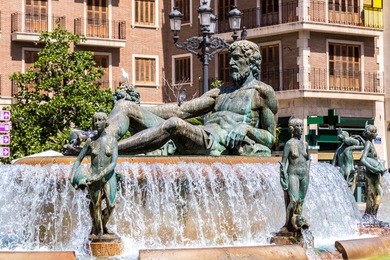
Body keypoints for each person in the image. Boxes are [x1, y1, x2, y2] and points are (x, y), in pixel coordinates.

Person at [104, 40, 278, 156]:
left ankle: (108, 151)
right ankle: (100, 140)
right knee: (125, 106)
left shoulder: (262, 93)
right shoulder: (220, 93)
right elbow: (182, 110)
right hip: (199, 136)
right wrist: (139, 110)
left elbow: (271, 138)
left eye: (236, 59)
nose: (231, 63)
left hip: (214, 144)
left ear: (251, 62)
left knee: (174, 124)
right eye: (230, 59)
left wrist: (246, 128)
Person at [70, 111, 120, 236]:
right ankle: (99, 233)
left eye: (100, 120)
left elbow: (113, 163)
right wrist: (72, 174)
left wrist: (101, 174)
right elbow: (78, 159)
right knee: (96, 205)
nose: (97, 123)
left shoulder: (112, 141)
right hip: (93, 176)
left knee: (111, 205)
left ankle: (101, 225)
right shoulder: (90, 141)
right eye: (95, 121)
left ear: (105, 122)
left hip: (108, 175)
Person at [279, 117, 310, 232]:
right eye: (299, 126)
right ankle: (287, 224)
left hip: (304, 175)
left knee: (301, 201)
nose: (302, 129)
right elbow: (283, 162)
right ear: (292, 129)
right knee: (294, 200)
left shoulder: (305, 144)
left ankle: (297, 223)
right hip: (293, 174)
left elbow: (308, 160)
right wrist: (282, 177)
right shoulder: (289, 144)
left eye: (302, 126)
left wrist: (308, 172)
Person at [360, 124, 387, 221]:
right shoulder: (368, 143)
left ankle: (369, 216)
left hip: (373, 173)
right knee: (378, 193)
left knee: (372, 194)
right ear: (370, 134)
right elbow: (362, 159)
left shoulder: (369, 142)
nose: (377, 134)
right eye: (375, 132)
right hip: (372, 173)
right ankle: (372, 216)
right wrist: (376, 169)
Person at [332, 128, 364, 193]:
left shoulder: (338, 151)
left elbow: (332, 166)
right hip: (350, 172)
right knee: (349, 193)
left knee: (342, 192)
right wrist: (360, 137)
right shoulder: (349, 148)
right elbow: (363, 146)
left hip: (341, 171)